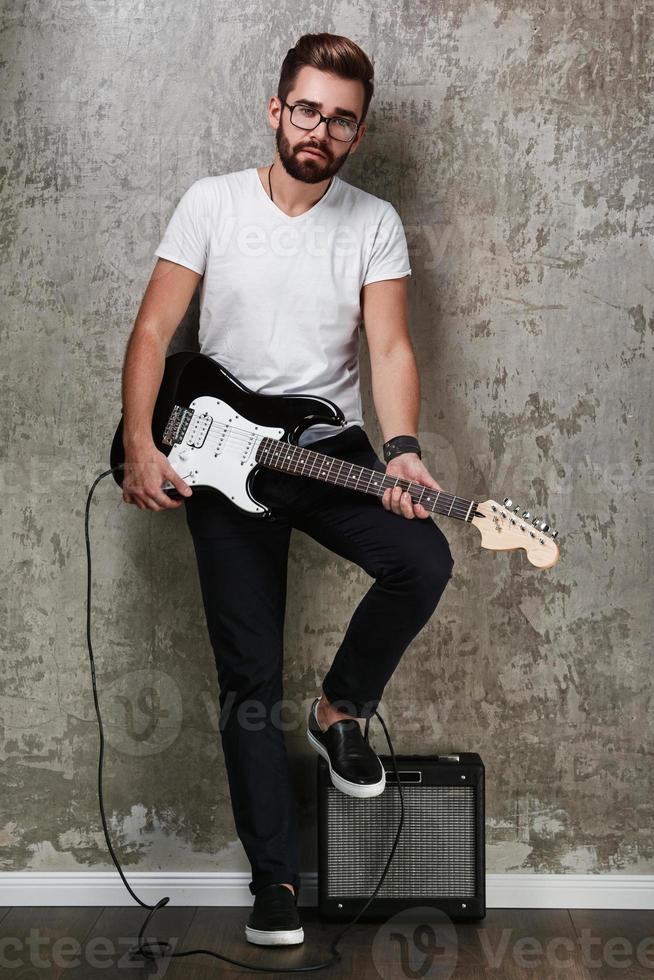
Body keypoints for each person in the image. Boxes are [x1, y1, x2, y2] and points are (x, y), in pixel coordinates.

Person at [119, 32, 454, 946]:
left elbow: (388, 348)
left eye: (341, 120)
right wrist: (144, 444)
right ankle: (275, 884)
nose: (320, 129)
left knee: (422, 558)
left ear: (356, 132)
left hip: (323, 450)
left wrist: (403, 449)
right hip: (223, 463)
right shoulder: (211, 203)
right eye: (307, 110)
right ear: (277, 109)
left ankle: (340, 712)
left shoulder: (373, 221)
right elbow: (154, 331)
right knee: (247, 676)